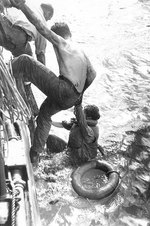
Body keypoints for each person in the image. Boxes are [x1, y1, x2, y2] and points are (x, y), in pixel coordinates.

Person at [10, 0, 97, 165]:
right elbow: (92, 74)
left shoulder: (64, 42)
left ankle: (4, 74)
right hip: (72, 97)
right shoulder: (82, 53)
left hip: (63, 88)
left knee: (24, 61)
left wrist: (21, 5)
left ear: (60, 35)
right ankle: (35, 155)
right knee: (44, 115)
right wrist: (80, 95)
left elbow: (41, 27)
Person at [0, 0, 54, 64]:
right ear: (48, 13)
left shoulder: (28, 4)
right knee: (28, 61)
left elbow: (7, 3)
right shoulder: (42, 23)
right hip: (17, 36)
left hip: (4, 22)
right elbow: (40, 53)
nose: (48, 20)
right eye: (49, 17)